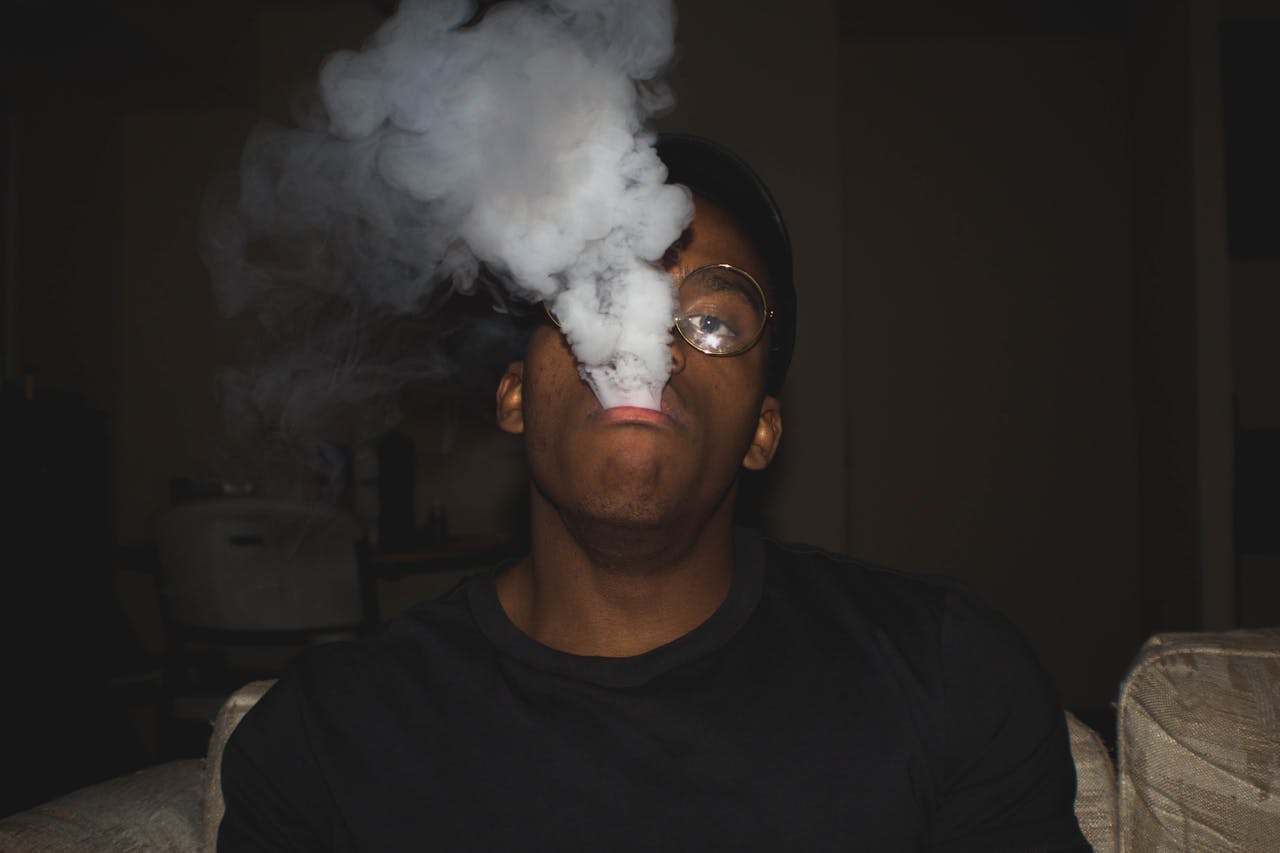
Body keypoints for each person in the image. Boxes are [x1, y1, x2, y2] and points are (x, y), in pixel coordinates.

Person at [218, 134, 1089, 852]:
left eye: (713, 321)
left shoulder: (947, 673)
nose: (647, 346)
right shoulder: (328, 736)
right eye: (604, 290)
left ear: (762, 431)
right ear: (516, 393)